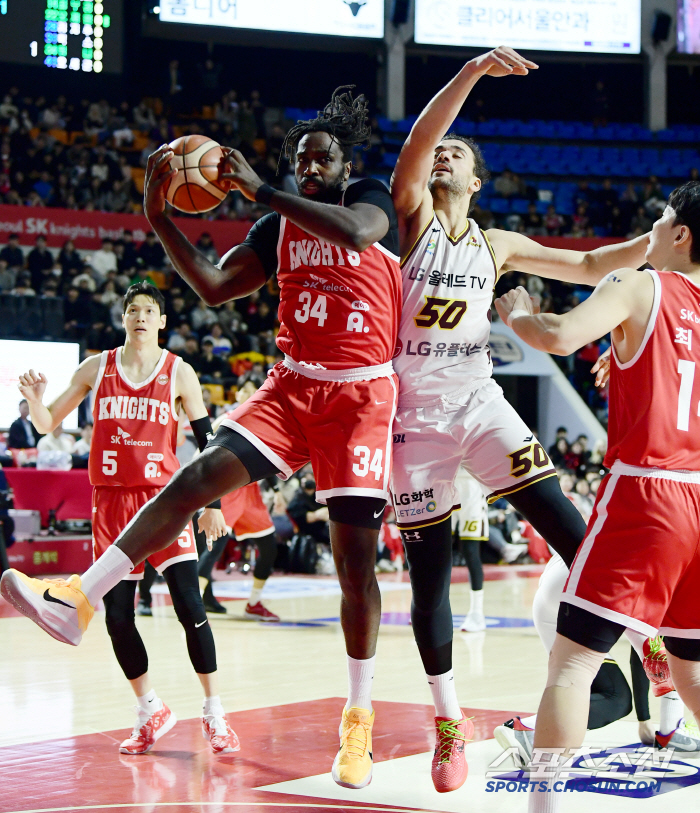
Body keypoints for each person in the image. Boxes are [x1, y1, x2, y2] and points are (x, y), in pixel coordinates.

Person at [2, 88, 401, 792]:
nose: (312, 164)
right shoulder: (277, 228)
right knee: (192, 481)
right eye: (301, 157)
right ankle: (78, 601)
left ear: (342, 165)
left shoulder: (369, 198)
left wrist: (264, 189)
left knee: (353, 564)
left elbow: (359, 233)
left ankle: (359, 713)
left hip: (361, 393)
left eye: (322, 157)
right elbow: (216, 287)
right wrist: (159, 217)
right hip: (295, 383)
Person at [388, 46, 651, 793]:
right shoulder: (410, 220)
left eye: (457, 154)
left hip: (477, 402)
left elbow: (590, 261)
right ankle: (448, 723)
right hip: (415, 419)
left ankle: (644, 645)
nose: (442, 158)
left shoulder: (496, 245)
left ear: (479, 180)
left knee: (573, 530)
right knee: (429, 579)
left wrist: (658, 245)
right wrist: (469, 76)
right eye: (439, 151)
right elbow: (415, 146)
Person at [492, 181, 700, 811]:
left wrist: (516, 315)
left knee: (573, 662)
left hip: (647, 494)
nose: (653, 234)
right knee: (691, 668)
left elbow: (558, 335)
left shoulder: (638, 285)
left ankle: (545, 805)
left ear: (681, 233)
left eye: (661, 222)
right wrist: (634, 359)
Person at [2, 283, 238, 756]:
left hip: (164, 502)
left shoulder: (179, 372)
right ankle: (149, 709)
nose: (141, 317)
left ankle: (215, 712)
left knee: (191, 605)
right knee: (118, 616)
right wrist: (36, 399)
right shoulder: (96, 366)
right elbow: (48, 423)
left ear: (162, 322)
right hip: (110, 503)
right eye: (133, 310)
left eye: (150, 310)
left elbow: (209, 440)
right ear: (123, 318)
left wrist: (211, 504)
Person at [198, 380, 280, 621]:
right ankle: (191, 601)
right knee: (214, 548)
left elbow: (269, 455)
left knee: (269, 547)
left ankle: (254, 603)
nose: (248, 392)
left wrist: (275, 489)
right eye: (244, 389)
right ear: (238, 393)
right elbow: (206, 447)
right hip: (230, 489)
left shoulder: (264, 419)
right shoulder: (227, 417)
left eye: (252, 389)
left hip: (251, 492)